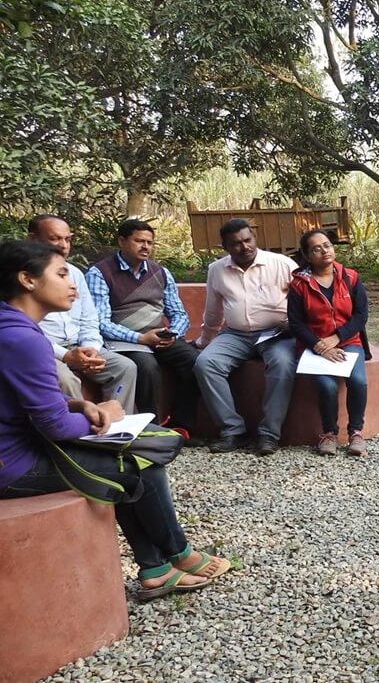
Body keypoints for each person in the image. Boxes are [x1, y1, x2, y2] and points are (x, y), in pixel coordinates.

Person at [0, 240, 230, 600]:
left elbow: (21, 399)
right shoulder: (22, 338)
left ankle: (157, 568)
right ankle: (175, 556)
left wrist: (78, 405)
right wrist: (105, 417)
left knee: (135, 456)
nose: (72, 283)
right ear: (27, 280)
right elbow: (55, 427)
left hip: (20, 446)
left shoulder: (12, 328)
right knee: (138, 463)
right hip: (14, 465)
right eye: (62, 274)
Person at [194, 218, 299, 455]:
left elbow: (305, 298)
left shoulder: (282, 264)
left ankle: (269, 435)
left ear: (254, 238)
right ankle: (233, 431)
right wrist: (205, 341)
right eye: (236, 244)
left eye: (247, 240)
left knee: (283, 364)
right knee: (205, 363)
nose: (244, 247)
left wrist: (295, 325)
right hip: (236, 334)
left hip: (277, 333)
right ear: (226, 247)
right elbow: (213, 311)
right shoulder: (217, 270)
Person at [86, 219, 201, 434]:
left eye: (149, 242)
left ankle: (180, 424)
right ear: (122, 241)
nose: (145, 247)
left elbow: (178, 313)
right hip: (123, 340)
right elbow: (100, 322)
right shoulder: (100, 273)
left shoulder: (160, 272)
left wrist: (173, 333)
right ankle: (151, 428)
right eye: (139, 241)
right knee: (147, 367)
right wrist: (140, 338)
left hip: (159, 336)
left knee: (195, 361)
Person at [27, 214, 137, 413]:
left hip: (78, 345)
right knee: (66, 380)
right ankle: (80, 429)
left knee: (125, 367)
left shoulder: (75, 273)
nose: (63, 245)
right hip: (47, 349)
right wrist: (66, 355)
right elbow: (25, 332)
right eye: (55, 238)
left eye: (67, 239)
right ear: (33, 239)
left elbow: (89, 319)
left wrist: (91, 349)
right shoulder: (23, 277)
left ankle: (119, 426)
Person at [287, 230, 371, 456]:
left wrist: (337, 338)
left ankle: (356, 433)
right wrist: (320, 346)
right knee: (327, 385)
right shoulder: (299, 284)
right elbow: (296, 323)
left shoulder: (350, 277)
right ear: (307, 256)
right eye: (316, 249)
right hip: (315, 345)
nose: (325, 251)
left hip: (348, 341)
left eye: (327, 245)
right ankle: (329, 433)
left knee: (358, 381)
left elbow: (360, 316)